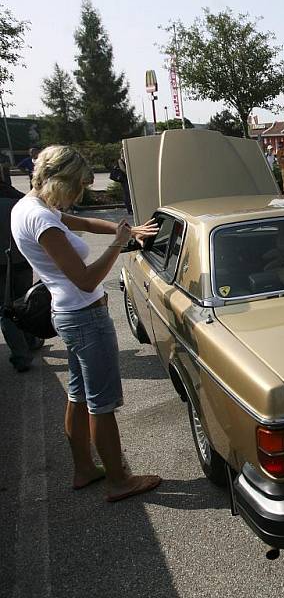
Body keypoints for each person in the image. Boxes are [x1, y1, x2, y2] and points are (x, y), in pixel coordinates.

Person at [10, 145, 161, 501]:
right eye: (77, 185)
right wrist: (118, 245)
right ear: (59, 179)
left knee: (78, 395)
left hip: (68, 315)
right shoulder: (42, 220)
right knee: (102, 403)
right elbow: (86, 279)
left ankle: (84, 469)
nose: (78, 194)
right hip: (84, 316)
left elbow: (80, 221)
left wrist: (124, 227)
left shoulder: (30, 207)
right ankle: (119, 480)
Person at [1, 163, 42, 372]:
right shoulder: (17, 200)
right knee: (24, 302)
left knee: (6, 311)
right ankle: (32, 340)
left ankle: (21, 356)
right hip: (22, 261)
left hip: (2, 267)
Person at [108, 148, 133, 215]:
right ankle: (129, 209)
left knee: (128, 193)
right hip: (124, 180)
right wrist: (129, 175)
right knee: (127, 193)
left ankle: (130, 208)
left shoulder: (125, 160)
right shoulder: (121, 160)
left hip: (126, 179)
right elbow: (123, 170)